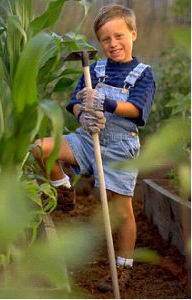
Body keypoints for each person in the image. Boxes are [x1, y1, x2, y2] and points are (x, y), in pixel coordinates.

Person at [33, 4, 156, 291]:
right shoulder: (94, 69)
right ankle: (64, 188)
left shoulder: (142, 74)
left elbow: (138, 110)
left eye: (119, 36)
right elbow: (74, 101)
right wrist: (81, 113)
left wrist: (107, 104)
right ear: (99, 43)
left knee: (120, 210)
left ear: (133, 34)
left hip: (119, 148)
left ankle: (123, 269)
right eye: (105, 39)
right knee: (40, 148)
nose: (113, 44)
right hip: (87, 140)